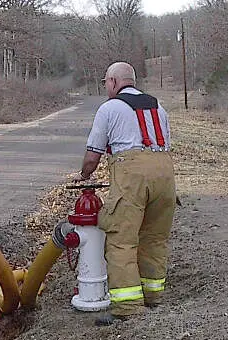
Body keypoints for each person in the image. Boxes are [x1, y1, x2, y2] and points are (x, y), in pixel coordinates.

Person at [73, 62, 175, 324]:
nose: (106, 87)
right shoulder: (158, 106)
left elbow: (93, 154)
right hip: (165, 174)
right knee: (154, 238)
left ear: (114, 82)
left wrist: (84, 175)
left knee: (121, 240)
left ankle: (128, 309)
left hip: (132, 175)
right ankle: (153, 296)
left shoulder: (110, 108)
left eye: (106, 83)